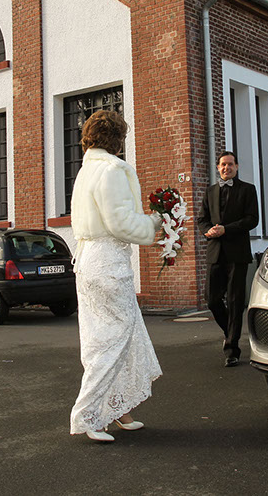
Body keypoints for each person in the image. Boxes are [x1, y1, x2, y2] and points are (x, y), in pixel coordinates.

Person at [69, 110, 163, 443]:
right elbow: (120, 222)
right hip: (108, 264)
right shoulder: (111, 170)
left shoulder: (86, 171)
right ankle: (87, 414)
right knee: (112, 341)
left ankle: (119, 408)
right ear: (116, 139)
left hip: (89, 261)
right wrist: (155, 223)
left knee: (119, 336)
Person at [197, 151, 259, 367]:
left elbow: (252, 219)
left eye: (230, 164)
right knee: (212, 299)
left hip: (237, 253)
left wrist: (227, 229)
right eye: (223, 164)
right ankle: (229, 332)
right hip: (215, 252)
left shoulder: (248, 190)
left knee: (234, 301)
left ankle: (232, 349)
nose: (227, 168)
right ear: (218, 167)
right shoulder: (210, 191)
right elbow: (202, 219)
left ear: (237, 167)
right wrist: (207, 231)